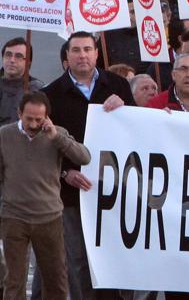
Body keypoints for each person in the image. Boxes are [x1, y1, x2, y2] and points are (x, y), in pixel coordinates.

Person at [41, 32, 134, 300]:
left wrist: (127, 106)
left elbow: (137, 130)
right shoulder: (51, 94)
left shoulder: (118, 86)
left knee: (114, 255)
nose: (82, 55)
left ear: (96, 53)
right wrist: (64, 173)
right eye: (76, 50)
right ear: (66, 56)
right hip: (72, 194)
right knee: (79, 261)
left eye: (87, 49)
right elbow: (45, 147)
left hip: (113, 191)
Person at [0, 91, 91, 300]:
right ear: (19, 113)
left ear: (47, 117)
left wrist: (56, 137)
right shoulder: (5, 135)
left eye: (39, 120)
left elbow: (84, 157)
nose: (33, 124)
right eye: (28, 119)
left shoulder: (57, 134)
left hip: (49, 217)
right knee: (14, 281)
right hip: (14, 217)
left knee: (56, 280)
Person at [0, 37, 42, 126]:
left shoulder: (37, 90)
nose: (12, 60)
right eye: (8, 54)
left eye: (18, 56)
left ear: (28, 62)